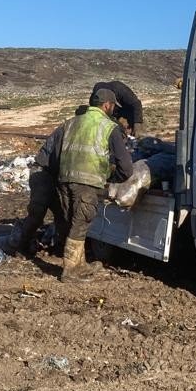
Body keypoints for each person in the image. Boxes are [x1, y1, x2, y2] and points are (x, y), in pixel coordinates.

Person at [56, 87, 133, 282]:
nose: (114, 110)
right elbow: (126, 167)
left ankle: (80, 263)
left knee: (72, 221)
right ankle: (70, 271)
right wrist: (112, 178)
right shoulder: (108, 127)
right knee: (81, 223)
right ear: (107, 105)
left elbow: (56, 152)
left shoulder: (71, 122)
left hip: (64, 178)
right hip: (87, 181)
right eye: (113, 106)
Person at [0, 124, 65, 256]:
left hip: (55, 174)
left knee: (62, 214)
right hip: (43, 172)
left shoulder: (72, 129)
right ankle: (22, 247)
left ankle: (59, 246)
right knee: (37, 213)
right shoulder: (67, 130)